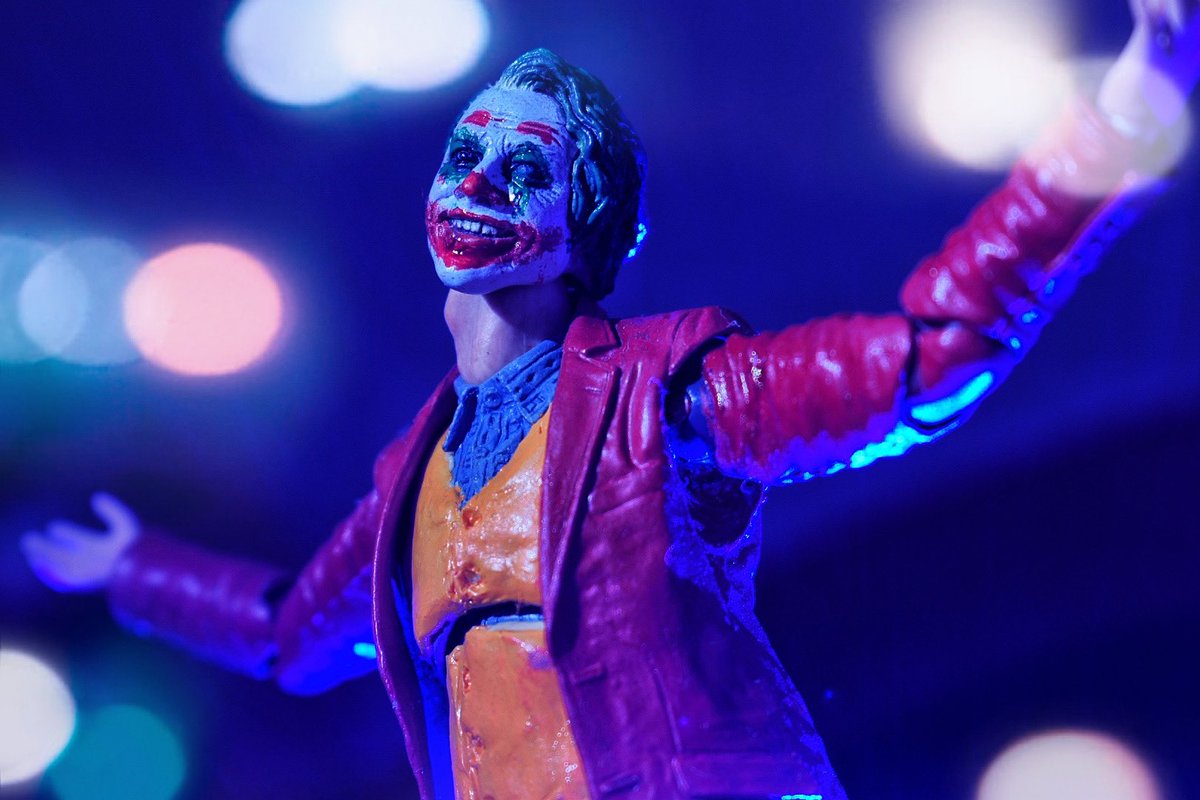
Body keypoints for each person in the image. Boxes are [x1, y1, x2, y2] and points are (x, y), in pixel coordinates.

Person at [22, 3, 1200, 798]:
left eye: (526, 166)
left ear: (582, 221)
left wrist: (1121, 127)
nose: (480, 182)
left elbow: (926, 356)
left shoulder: (666, 396)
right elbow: (294, 632)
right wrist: (135, 569)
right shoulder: (413, 475)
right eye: (466, 154)